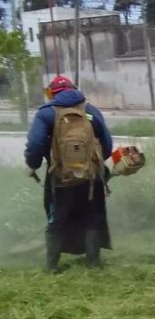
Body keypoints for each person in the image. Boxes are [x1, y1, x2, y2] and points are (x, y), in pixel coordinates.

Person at [24, 75, 114, 272]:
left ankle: (51, 266)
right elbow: (107, 144)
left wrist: (33, 164)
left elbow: (35, 144)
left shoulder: (47, 113)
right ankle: (93, 264)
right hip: (91, 178)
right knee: (93, 216)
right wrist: (94, 164)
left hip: (59, 178)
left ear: (52, 94)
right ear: (74, 89)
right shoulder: (90, 111)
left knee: (56, 218)